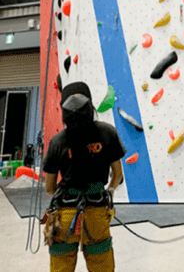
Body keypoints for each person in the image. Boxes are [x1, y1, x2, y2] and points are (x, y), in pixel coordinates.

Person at [42, 82, 126, 272]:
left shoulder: (58, 141)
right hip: (96, 211)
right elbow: (117, 175)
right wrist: (109, 192)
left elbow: (49, 187)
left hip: (64, 215)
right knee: (101, 266)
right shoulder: (107, 132)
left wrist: (65, 196)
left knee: (61, 266)